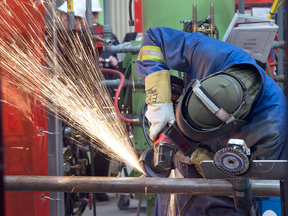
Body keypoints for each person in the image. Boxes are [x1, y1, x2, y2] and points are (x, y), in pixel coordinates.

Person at [136, 27, 287, 216]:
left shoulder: (272, 127)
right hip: (177, 184)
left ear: (233, 124)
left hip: (223, 200)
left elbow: (259, 189)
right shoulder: (212, 56)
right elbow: (154, 38)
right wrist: (158, 100)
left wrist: (198, 157)